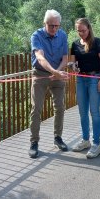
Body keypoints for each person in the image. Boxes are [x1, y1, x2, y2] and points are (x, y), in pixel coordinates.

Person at [28, 9, 69, 159]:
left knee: (60, 107)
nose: (54, 29)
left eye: (56, 26)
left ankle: (58, 138)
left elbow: (65, 58)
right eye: (51, 25)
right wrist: (54, 71)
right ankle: (34, 142)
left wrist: (57, 72)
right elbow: (40, 57)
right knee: (36, 108)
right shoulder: (36, 36)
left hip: (57, 74)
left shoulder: (63, 35)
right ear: (45, 23)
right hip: (40, 74)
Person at [69, 18, 100, 158]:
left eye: (83, 30)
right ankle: (86, 140)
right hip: (80, 79)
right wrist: (73, 67)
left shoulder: (97, 42)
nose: (81, 33)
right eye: (78, 30)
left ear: (89, 29)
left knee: (94, 112)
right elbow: (72, 62)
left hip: (94, 78)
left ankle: (96, 144)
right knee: (82, 112)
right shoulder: (75, 44)